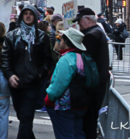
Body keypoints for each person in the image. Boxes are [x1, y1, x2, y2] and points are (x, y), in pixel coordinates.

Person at [1, 5, 53, 139]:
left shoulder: (42, 37)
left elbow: (47, 59)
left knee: (26, 117)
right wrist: (9, 75)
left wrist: (40, 73)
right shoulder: (12, 36)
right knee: (21, 115)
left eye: (31, 14)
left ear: (35, 17)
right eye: (26, 14)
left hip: (33, 82)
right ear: (22, 16)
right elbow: (5, 58)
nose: (28, 16)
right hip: (16, 82)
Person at [45, 28, 99, 139]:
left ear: (67, 41)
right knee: (78, 133)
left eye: (61, 39)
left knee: (65, 135)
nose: (59, 41)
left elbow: (58, 85)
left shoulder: (67, 59)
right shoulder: (83, 57)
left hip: (65, 106)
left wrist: (49, 98)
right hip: (81, 105)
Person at [75, 8, 110, 139]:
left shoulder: (91, 35)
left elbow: (86, 62)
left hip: (92, 84)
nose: (79, 25)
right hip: (98, 82)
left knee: (89, 120)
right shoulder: (97, 32)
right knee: (90, 120)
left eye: (80, 22)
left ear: (88, 19)